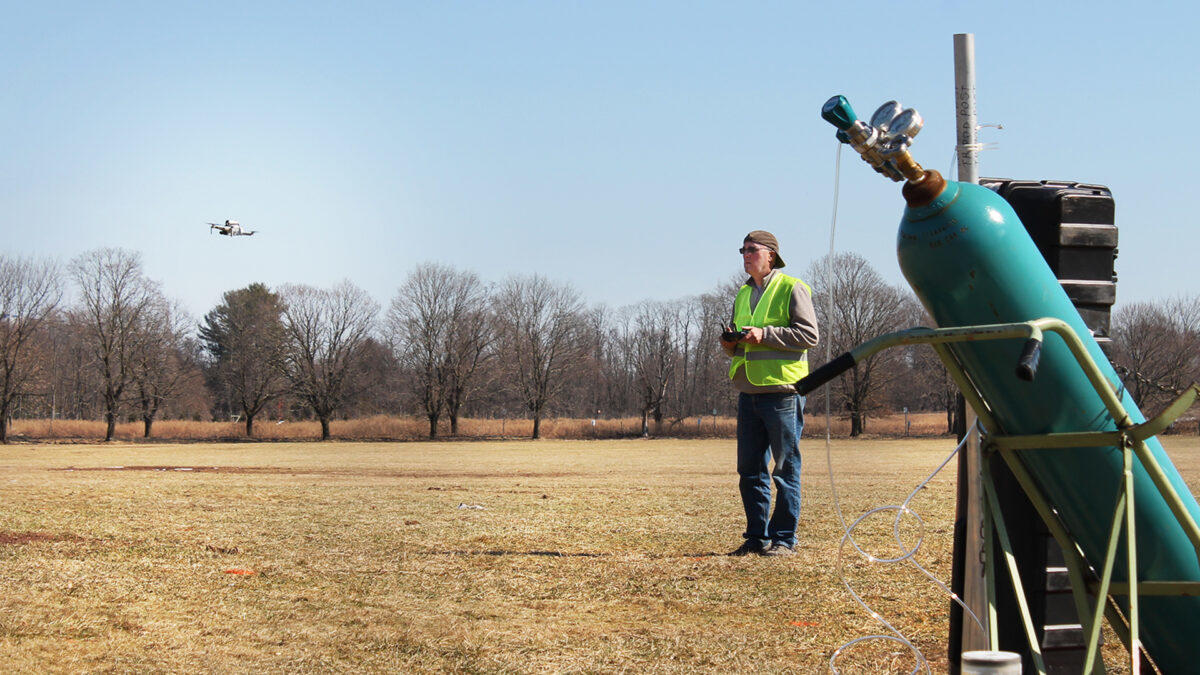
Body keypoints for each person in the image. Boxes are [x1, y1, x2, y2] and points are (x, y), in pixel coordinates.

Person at [720, 230, 819, 556]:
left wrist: (765, 334)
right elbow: (740, 347)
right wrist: (730, 344)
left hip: (782, 393)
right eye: (742, 250)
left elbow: (809, 335)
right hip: (748, 391)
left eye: (752, 250)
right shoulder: (741, 294)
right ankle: (756, 538)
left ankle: (783, 540)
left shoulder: (792, 287)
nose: (745, 255)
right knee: (750, 470)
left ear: (771, 255)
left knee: (785, 470)